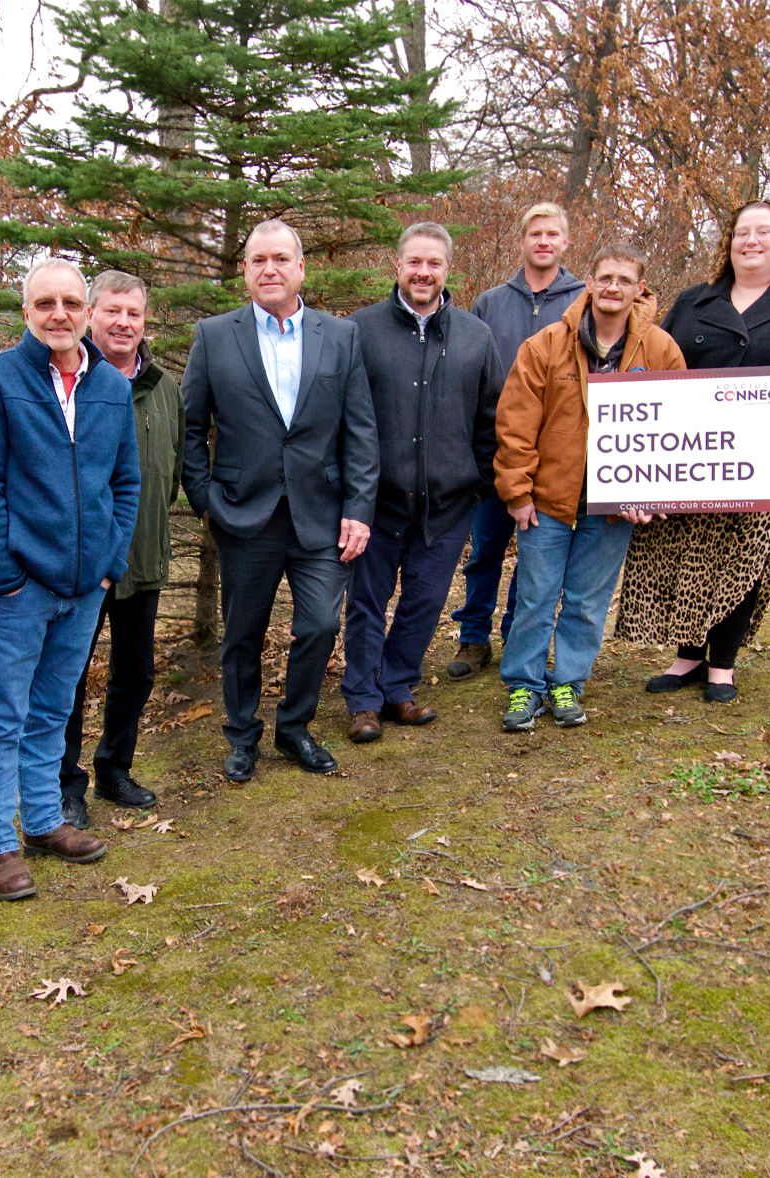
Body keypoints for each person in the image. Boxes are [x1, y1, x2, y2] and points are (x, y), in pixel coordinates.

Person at [616, 200, 770, 702]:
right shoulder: (695, 301)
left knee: (741, 560)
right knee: (688, 557)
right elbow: (662, 363)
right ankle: (687, 656)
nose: (750, 241)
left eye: (763, 232)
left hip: (766, 463)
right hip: (693, 459)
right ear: (728, 243)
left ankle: (722, 664)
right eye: (740, 233)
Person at [0, 257, 139, 900]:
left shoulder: (111, 388)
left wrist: (109, 565)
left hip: (85, 587)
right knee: (4, 713)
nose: (58, 315)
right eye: (45, 304)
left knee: (53, 709)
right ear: (26, 313)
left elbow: (125, 483)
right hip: (20, 587)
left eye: (69, 302)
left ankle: (41, 821)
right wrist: (4, 573)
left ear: (87, 312)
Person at [181, 219, 378, 781]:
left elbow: (360, 431)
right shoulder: (215, 336)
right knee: (242, 634)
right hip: (244, 513)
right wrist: (202, 497)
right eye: (258, 260)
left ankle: (294, 729)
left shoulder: (339, 337)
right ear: (244, 270)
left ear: (300, 269)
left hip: (321, 514)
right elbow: (191, 427)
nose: (270, 269)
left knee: (319, 625)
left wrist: (359, 509)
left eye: (281, 259)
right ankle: (242, 736)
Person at [496, 243, 685, 731]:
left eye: (624, 280)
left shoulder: (661, 350)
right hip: (547, 502)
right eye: (604, 277)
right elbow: (515, 425)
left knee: (586, 601)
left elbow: (679, 426)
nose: (612, 287)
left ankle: (568, 682)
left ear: (639, 288)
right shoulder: (546, 345)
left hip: (613, 506)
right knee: (536, 597)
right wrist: (517, 493)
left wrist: (652, 494)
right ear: (590, 283)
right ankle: (524, 685)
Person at [340, 222, 502, 742]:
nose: (423, 272)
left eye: (433, 263)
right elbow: (340, 417)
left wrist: (475, 482)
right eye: (414, 262)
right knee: (367, 602)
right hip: (378, 503)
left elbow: (491, 417)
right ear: (398, 265)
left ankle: (397, 688)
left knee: (425, 601)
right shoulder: (359, 331)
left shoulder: (476, 336)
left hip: (450, 503)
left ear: (447, 269)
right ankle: (363, 700)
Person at [58, 271, 184, 828]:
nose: (123, 323)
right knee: (71, 675)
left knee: (136, 672)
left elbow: (173, 468)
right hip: (81, 564)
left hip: (144, 558)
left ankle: (115, 769)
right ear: (90, 315)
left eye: (133, 314)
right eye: (112, 312)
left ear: (144, 320)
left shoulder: (165, 388)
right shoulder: (68, 381)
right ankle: (65, 786)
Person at [449, 202, 586, 680]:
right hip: (493, 452)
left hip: (556, 457)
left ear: (565, 242)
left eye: (552, 234)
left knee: (534, 557)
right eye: (535, 234)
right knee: (485, 550)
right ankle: (472, 637)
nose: (543, 241)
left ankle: (516, 633)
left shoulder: (583, 300)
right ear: (522, 242)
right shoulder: (491, 302)